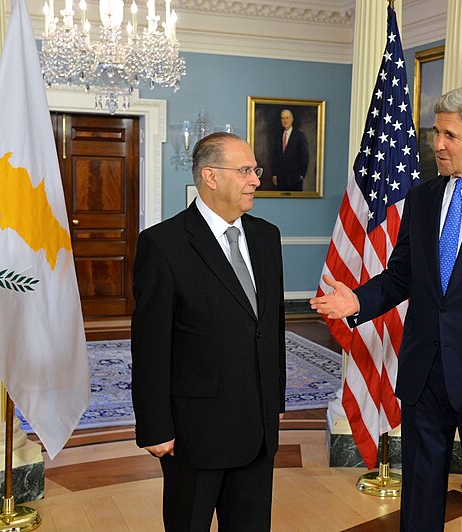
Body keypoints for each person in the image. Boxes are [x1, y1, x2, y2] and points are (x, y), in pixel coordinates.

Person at [311, 87, 462, 531]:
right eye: (435, 133)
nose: (437, 144)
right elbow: (402, 275)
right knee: (420, 491)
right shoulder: (422, 198)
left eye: (450, 135)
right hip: (423, 371)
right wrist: (358, 301)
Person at [131, 132, 286, 531]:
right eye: (246, 171)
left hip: (258, 430)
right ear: (211, 176)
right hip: (195, 434)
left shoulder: (267, 237)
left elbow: (270, 327)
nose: (256, 180)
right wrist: (154, 426)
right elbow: (150, 346)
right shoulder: (163, 244)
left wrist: (275, 403)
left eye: (256, 170)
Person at [271, 108, 309, 191]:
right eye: (283, 118)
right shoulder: (278, 136)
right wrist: (274, 174)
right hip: (280, 179)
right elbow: (274, 157)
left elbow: (304, 156)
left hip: (295, 179)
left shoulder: (299, 136)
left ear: (292, 119)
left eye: (287, 118)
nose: (285, 120)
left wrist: (301, 175)